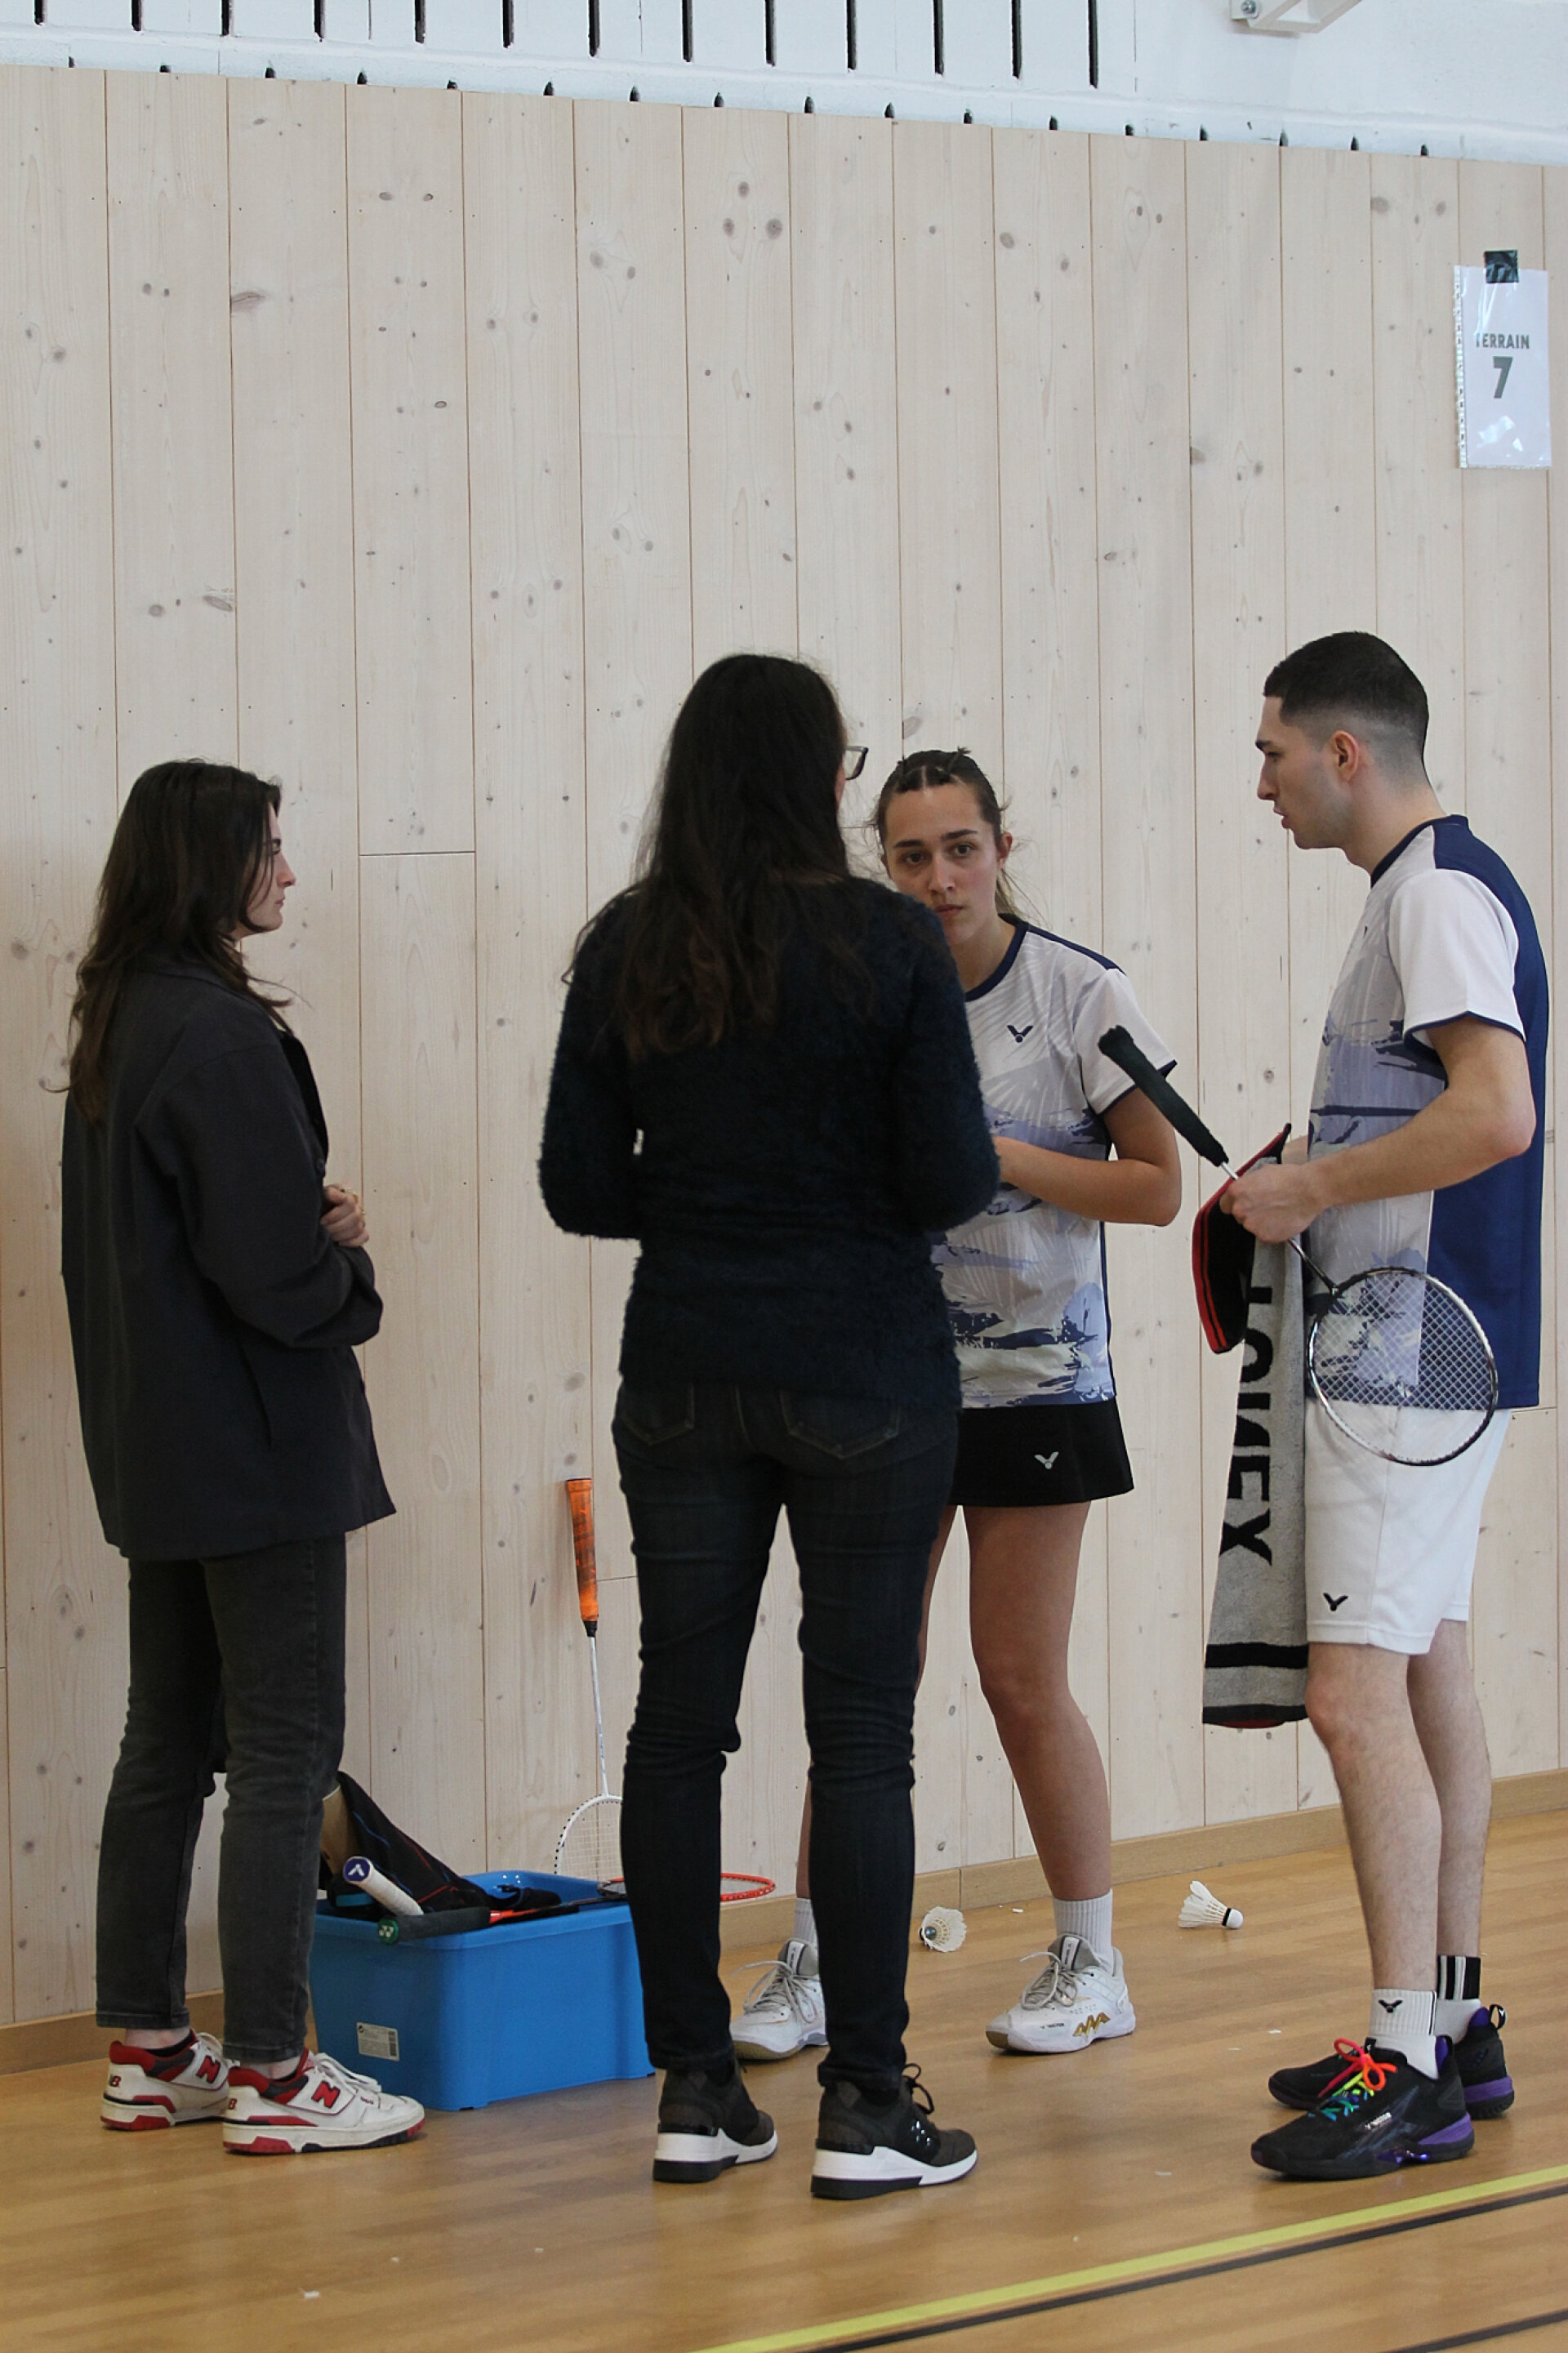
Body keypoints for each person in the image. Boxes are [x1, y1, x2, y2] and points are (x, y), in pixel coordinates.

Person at [540, 657, 998, 2200]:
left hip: (684, 1368)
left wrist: (710, 1199)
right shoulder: (891, 941)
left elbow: (579, 1185)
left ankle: (695, 2088)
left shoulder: (628, 944)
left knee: (678, 1725)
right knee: (862, 1733)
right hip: (867, 1368)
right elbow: (952, 1176)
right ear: (816, 776)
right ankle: (866, 2101)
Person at [737, 749, 1182, 2066]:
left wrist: (996, 1156)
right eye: (912, 855)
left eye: (961, 848)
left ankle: (1093, 1963)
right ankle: (817, 1962)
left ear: (1001, 847)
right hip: (887, 1382)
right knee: (863, 1678)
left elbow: (1158, 1184)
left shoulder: (1082, 992)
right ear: (883, 865)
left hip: (1040, 1382)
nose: (939, 877)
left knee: (1019, 1677)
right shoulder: (859, 995)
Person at [63, 760, 422, 2156]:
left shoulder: (123, 1021)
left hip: (161, 1446)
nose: (289, 872)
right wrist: (349, 1267)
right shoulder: (215, 1034)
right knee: (284, 1752)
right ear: (211, 863)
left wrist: (297, 1215)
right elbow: (272, 1273)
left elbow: (196, 1237)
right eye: (270, 848)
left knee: (166, 1740)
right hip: (257, 1451)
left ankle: (151, 2047)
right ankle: (275, 2070)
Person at [1225, 635, 1544, 2181]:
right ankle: (1455, 2022)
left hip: (1410, 1352)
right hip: (1425, 1346)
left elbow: (1498, 1111)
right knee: (1426, 1675)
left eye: (1274, 751)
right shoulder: (1423, 887)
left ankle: (1404, 2061)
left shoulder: (1434, 893)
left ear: (1345, 752)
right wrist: (1314, 1169)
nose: (1263, 782)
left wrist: (1313, 1187)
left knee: (1354, 1697)